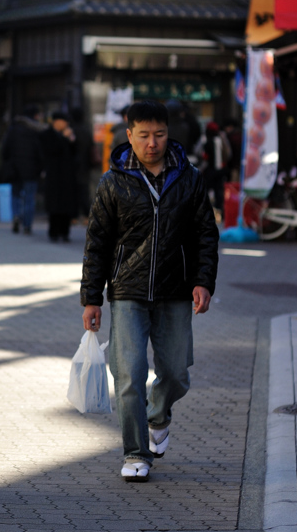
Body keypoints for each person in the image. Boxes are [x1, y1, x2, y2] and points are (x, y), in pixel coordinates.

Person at [80, 100, 219, 483]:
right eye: (143, 135)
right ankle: (135, 452)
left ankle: (158, 414)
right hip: (127, 291)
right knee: (129, 375)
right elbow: (98, 243)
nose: (152, 143)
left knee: (176, 373)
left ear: (168, 133)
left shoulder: (188, 178)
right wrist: (91, 297)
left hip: (176, 290)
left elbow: (206, 233)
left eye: (159, 135)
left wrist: (203, 282)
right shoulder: (113, 182)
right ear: (129, 135)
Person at [0, 104, 46, 235]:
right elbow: (41, 152)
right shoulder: (37, 130)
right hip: (31, 169)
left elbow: (5, 149)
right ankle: (27, 225)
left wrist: (7, 163)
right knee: (29, 197)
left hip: (15, 168)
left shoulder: (13, 129)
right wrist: (41, 167)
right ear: (35, 116)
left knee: (15, 195)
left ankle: (15, 216)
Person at [42, 112, 79, 242]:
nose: (66, 124)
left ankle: (65, 232)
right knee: (54, 205)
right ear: (56, 122)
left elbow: (74, 152)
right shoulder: (47, 135)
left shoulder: (68, 134)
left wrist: (71, 140)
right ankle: (54, 232)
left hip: (67, 174)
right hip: (53, 174)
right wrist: (64, 138)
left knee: (66, 204)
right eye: (64, 121)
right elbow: (51, 151)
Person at [192, 121, 231, 211]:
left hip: (208, 170)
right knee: (219, 191)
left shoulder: (204, 139)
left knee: (204, 189)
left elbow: (198, 151)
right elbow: (228, 154)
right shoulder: (222, 138)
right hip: (221, 169)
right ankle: (219, 209)